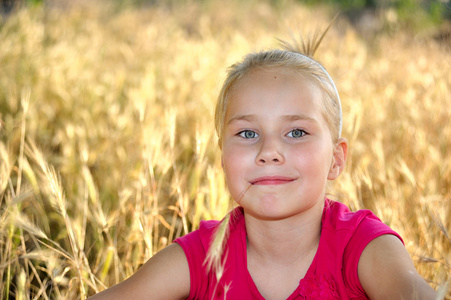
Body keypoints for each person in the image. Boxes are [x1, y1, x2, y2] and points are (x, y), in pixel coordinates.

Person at [89, 37, 438, 299]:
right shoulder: (202, 258)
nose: (269, 151)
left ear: (336, 158)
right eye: (248, 133)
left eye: (297, 132)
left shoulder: (362, 247)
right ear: (223, 156)